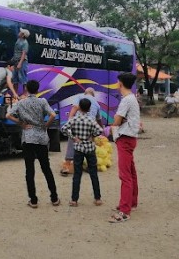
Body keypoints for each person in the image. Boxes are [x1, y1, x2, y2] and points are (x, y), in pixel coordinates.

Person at [6, 79, 60, 208]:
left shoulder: (21, 103)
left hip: (28, 137)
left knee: (29, 170)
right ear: (38, 90)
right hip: (41, 137)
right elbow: (52, 115)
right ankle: (54, 198)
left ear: (26, 89)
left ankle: (33, 200)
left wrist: (21, 123)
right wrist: (45, 125)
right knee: (46, 168)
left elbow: (8, 115)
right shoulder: (42, 101)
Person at [109, 72, 140, 223]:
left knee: (125, 176)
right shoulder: (132, 98)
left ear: (120, 84)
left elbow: (116, 120)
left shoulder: (126, 100)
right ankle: (131, 203)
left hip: (125, 139)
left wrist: (113, 125)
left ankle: (125, 211)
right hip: (131, 138)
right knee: (131, 173)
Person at [60, 98, 103, 206]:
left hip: (78, 148)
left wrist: (74, 137)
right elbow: (100, 131)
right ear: (89, 109)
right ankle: (97, 198)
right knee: (93, 173)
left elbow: (64, 128)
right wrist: (91, 136)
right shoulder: (91, 120)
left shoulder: (74, 119)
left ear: (79, 107)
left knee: (77, 174)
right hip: (90, 148)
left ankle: (74, 200)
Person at [60, 87, 102, 176]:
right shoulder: (97, 104)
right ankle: (90, 166)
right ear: (93, 95)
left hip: (79, 124)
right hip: (90, 125)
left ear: (85, 93)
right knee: (90, 145)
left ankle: (67, 166)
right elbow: (99, 120)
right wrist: (98, 131)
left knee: (72, 143)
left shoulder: (80, 97)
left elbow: (74, 108)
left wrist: (70, 121)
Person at [12, 28, 30, 95]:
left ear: (23, 35)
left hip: (22, 62)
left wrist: (20, 63)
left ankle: (25, 94)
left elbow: (23, 54)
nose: (19, 32)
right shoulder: (18, 40)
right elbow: (16, 52)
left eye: (21, 32)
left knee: (23, 79)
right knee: (15, 79)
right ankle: (15, 94)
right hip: (15, 61)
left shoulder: (25, 43)